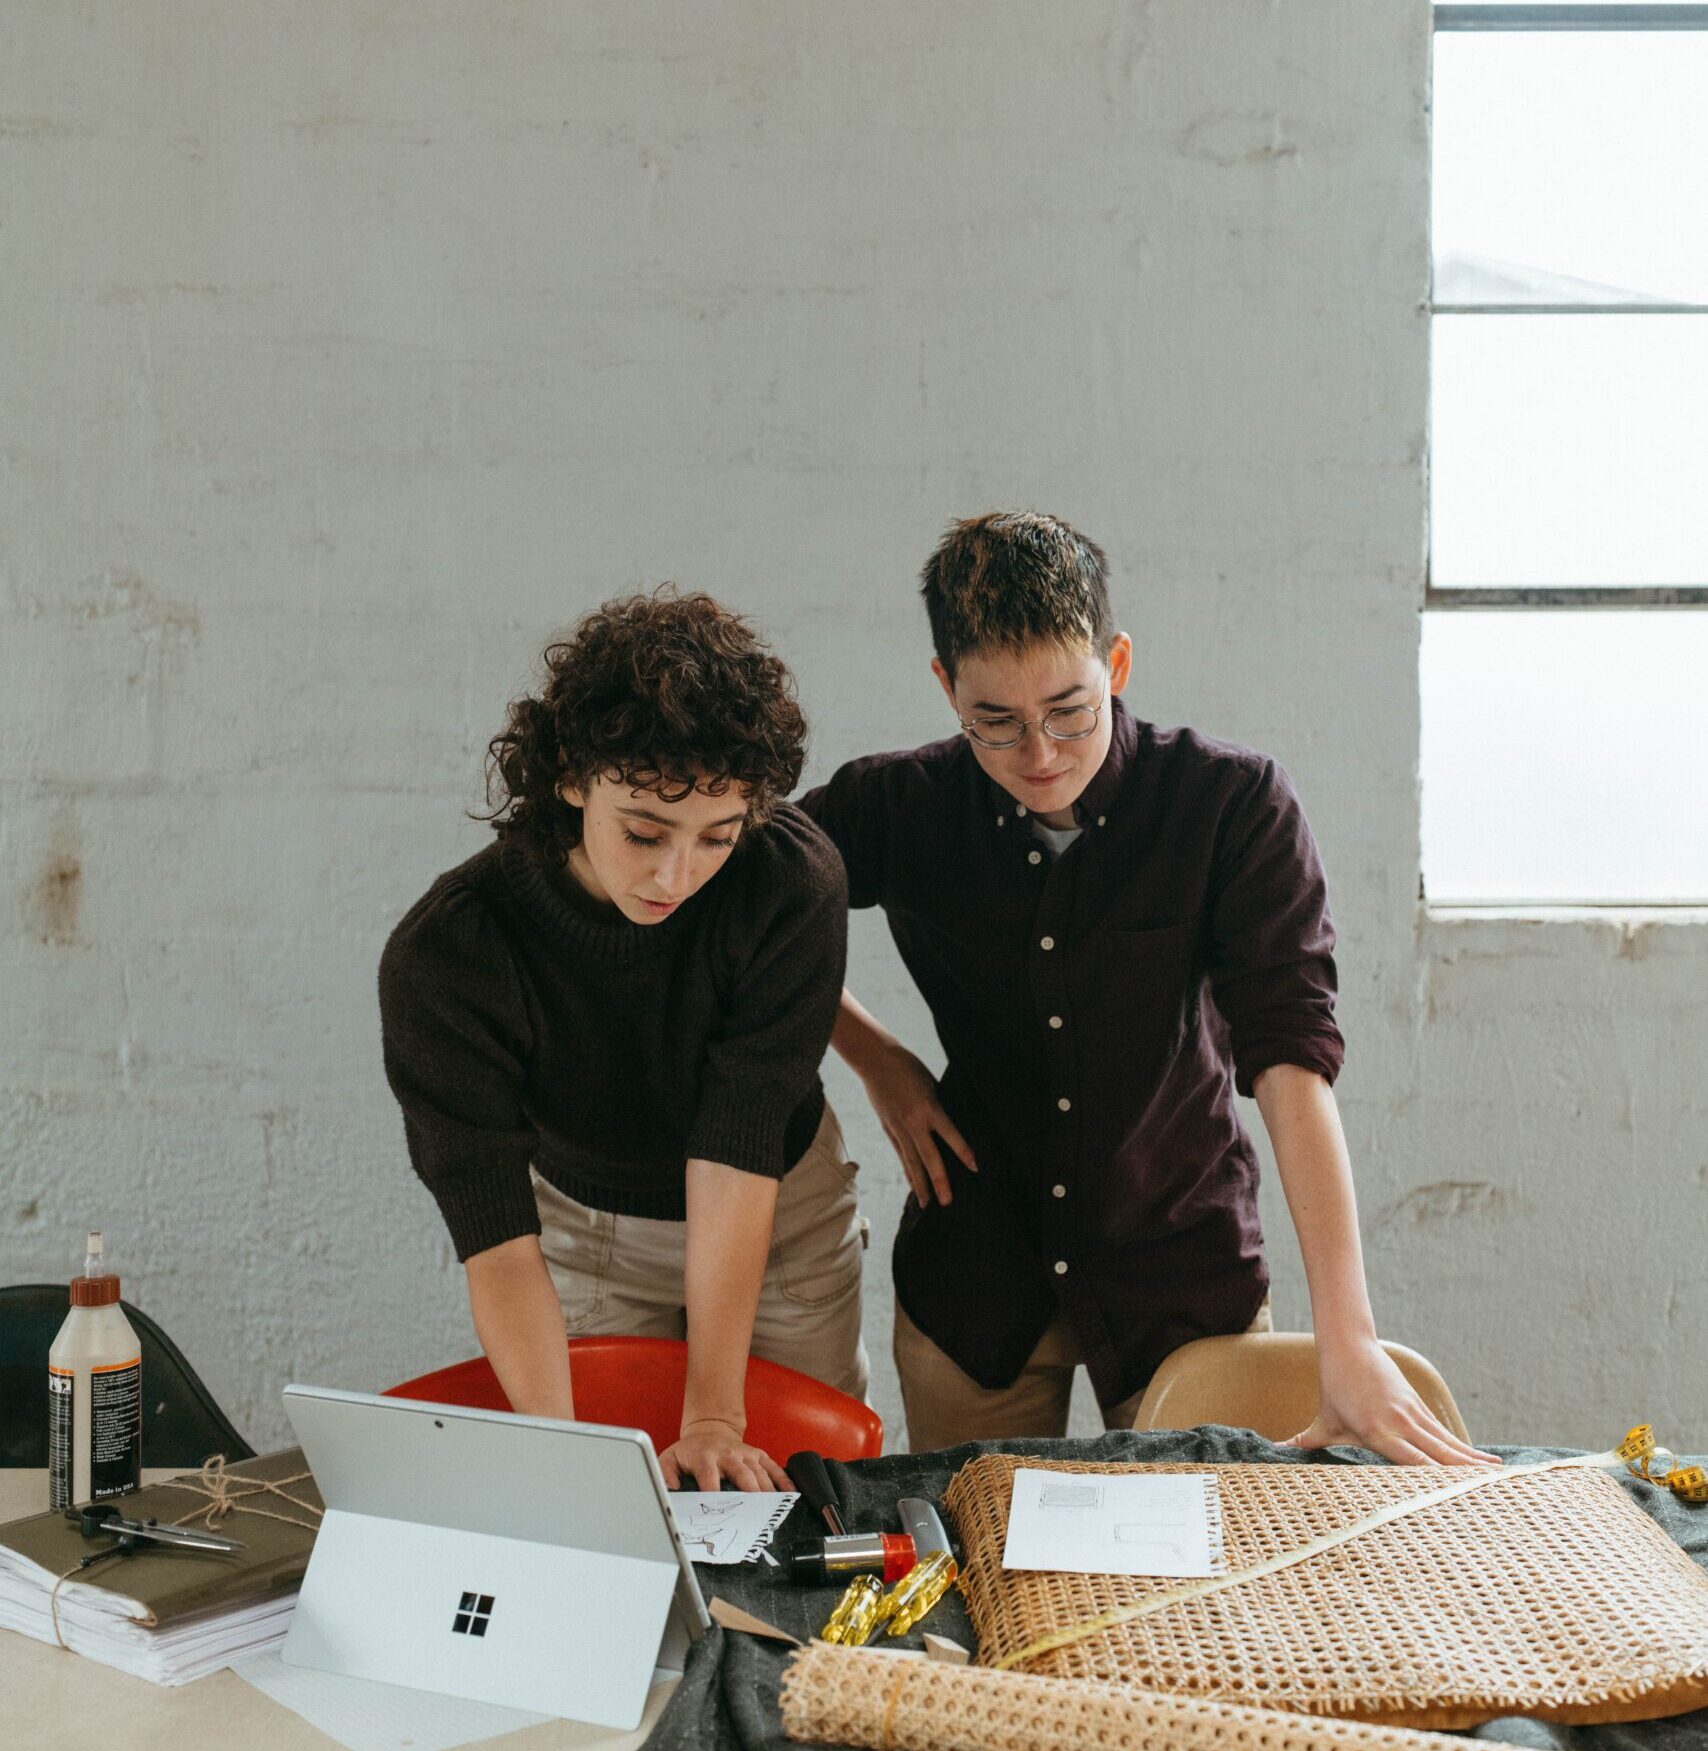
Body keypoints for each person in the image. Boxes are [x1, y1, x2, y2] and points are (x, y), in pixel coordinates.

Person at [801, 512, 1495, 1467]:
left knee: (1202, 1579)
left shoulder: (1231, 805)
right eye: (994, 722)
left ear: (1115, 664)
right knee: (974, 1571)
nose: (1039, 753)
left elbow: (1292, 1064)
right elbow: (745, 905)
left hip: (1178, 1262)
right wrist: (875, 1058)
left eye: (1069, 710)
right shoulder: (901, 805)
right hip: (975, 1272)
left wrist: (1348, 1338)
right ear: (944, 686)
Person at [380, 591, 867, 1492]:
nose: (676, 875)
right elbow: (498, 1242)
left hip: (777, 1210)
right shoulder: (450, 956)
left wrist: (716, 1416)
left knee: (800, 1495)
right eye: (644, 831)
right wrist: (568, 1472)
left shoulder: (791, 885)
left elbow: (737, 1144)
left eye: (718, 837)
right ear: (570, 777)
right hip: (588, 1222)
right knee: (606, 1488)